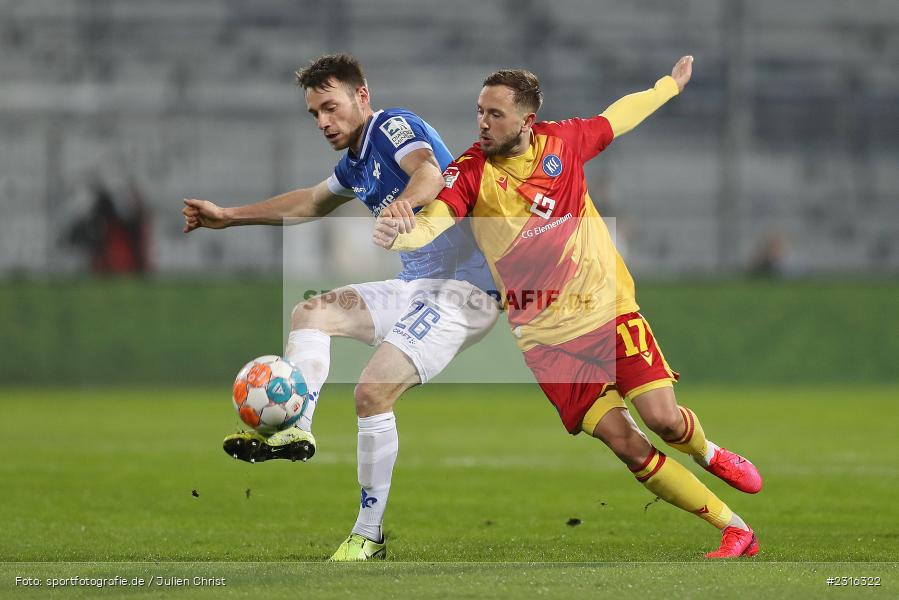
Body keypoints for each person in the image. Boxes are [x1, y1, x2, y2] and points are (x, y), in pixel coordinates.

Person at [373, 56, 763, 559]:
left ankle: (708, 452)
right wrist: (407, 232)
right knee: (628, 445)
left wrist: (669, 85)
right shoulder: (470, 170)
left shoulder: (562, 143)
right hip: (546, 342)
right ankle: (736, 531)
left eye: (494, 114)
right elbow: (438, 218)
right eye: (479, 112)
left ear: (526, 121)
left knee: (663, 421)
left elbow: (617, 117)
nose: (482, 124)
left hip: (606, 310)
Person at [183, 53, 498, 560]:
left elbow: (431, 174)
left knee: (372, 392)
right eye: (315, 114)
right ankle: (295, 428)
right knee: (311, 313)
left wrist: (407, 204)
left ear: (362, 96)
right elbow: (310, 201)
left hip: (466, 291)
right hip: (418, 287)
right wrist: (229, 216)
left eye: (331, 107)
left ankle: (368, 536)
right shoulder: (353, 164)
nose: (324, 122)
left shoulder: (393, 126)